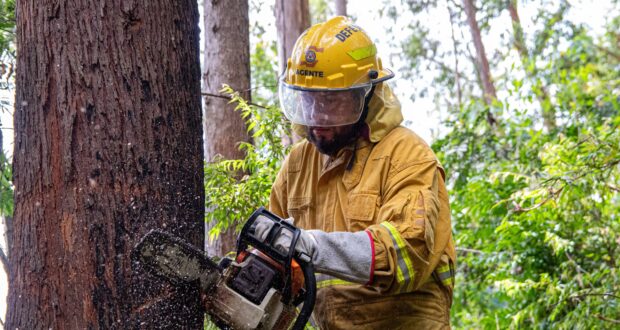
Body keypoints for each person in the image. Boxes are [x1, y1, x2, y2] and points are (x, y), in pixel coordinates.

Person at [253, 16, 456, 329]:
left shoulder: (407, 155)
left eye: (331, 101)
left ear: (365, 95)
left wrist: (312, 246)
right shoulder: (296, 167)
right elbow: (280, 266)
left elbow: (406, 254)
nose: (317, 116)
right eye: (309, 101)